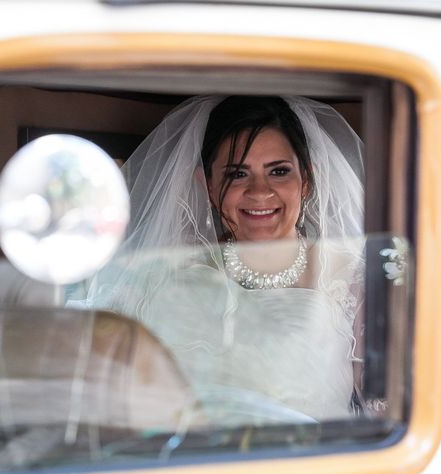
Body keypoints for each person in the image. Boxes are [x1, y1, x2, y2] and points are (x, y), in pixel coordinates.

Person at [68, 95, 365, 426]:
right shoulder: (165, 274)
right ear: (207, 184)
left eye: (279, 171)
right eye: (237, 174)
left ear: (306, 180)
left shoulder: (351, 272)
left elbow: (390, 404)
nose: (259, 192)